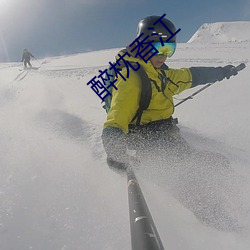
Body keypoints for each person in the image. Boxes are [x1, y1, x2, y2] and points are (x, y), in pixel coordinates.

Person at [101, 15, 245, 231]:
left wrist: (221, 72)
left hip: (170, 138)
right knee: (195, 190)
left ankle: (242, 202)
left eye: (169, 49)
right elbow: (117, 114)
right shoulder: (130, 76)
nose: (163, 56)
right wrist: (114, 144)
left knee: (218, 164)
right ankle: (231, 231)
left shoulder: (162, 73)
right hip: (147, 144)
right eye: (159, 48)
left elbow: (190, 76)